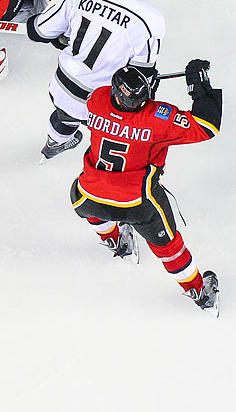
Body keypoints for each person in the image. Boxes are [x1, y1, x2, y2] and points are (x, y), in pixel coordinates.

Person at [70, 62, 222, 314]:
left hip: (88, 195)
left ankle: (114, 240)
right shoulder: (157, 119)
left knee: (92, 199)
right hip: (137, 204)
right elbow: (207, 126)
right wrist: (198, 87)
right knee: (168, 246)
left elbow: (121, 110)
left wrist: (143, 91)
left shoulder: (97, 100)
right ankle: (198, 292)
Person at [27, 0, 164, 160]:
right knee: (111, 119)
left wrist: (61, 40)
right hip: (104, 105)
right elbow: (141, 73)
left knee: (65, 115)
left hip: (62, 88)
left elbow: (38, 31)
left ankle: (55, 143)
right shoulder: (150, 20)